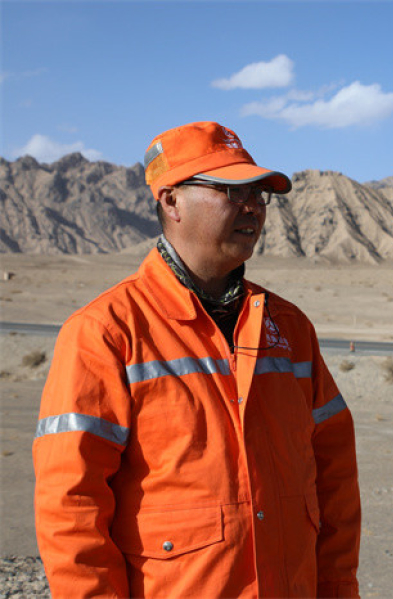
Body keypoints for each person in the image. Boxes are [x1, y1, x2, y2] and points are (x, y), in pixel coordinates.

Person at [33, 121, 361, 598]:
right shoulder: (106, 332)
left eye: (259, 194)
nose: (252, 206)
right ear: (171, 201)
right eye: (232, 190)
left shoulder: (290, 329)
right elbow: (71, 508)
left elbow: (335, 481)